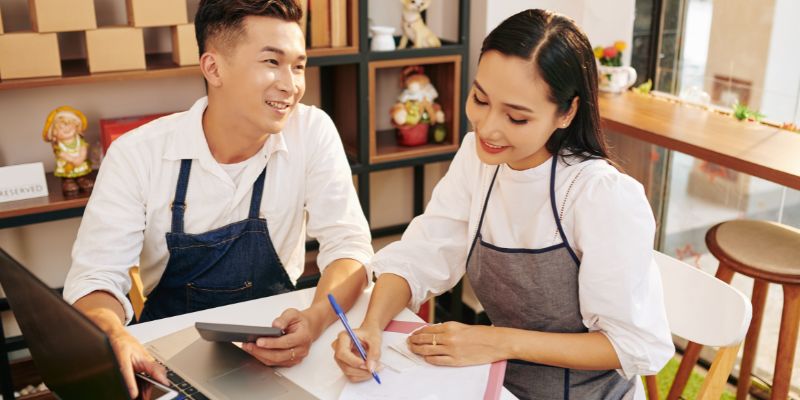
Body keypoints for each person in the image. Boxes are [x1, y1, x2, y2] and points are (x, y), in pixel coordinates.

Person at [332, 9, 673, 399]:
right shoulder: (478, 161)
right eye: (480, 99)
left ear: (567, 112)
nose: (488, 127)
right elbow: (422, 254)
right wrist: (371, 327)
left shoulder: (600, 196)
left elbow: (633, 344)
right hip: (497, 384)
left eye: (516, 117)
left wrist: (500, 342)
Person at [63, 0, 373, 398]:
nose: (291, 84)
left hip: (277, 343)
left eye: (298, 65)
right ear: (213, 68)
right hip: (169, 355)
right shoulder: (138, 154)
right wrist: (111, 333)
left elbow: (349, 245)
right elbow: (95, 277)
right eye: (271, 62)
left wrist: (315, 319)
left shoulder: (312, 132)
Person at [42, 106, 94, 194]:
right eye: (61, 128)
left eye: (70, 127)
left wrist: (81, 158)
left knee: (82, 174)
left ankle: (81, 180)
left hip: (79, 163)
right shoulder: (59, 145)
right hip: (68, 166)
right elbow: (61, 154)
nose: (67, 129)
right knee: (68, 176)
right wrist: (73, 160)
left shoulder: (79, 140)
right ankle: (68, 181)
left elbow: (83, 148)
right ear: (54, 132)